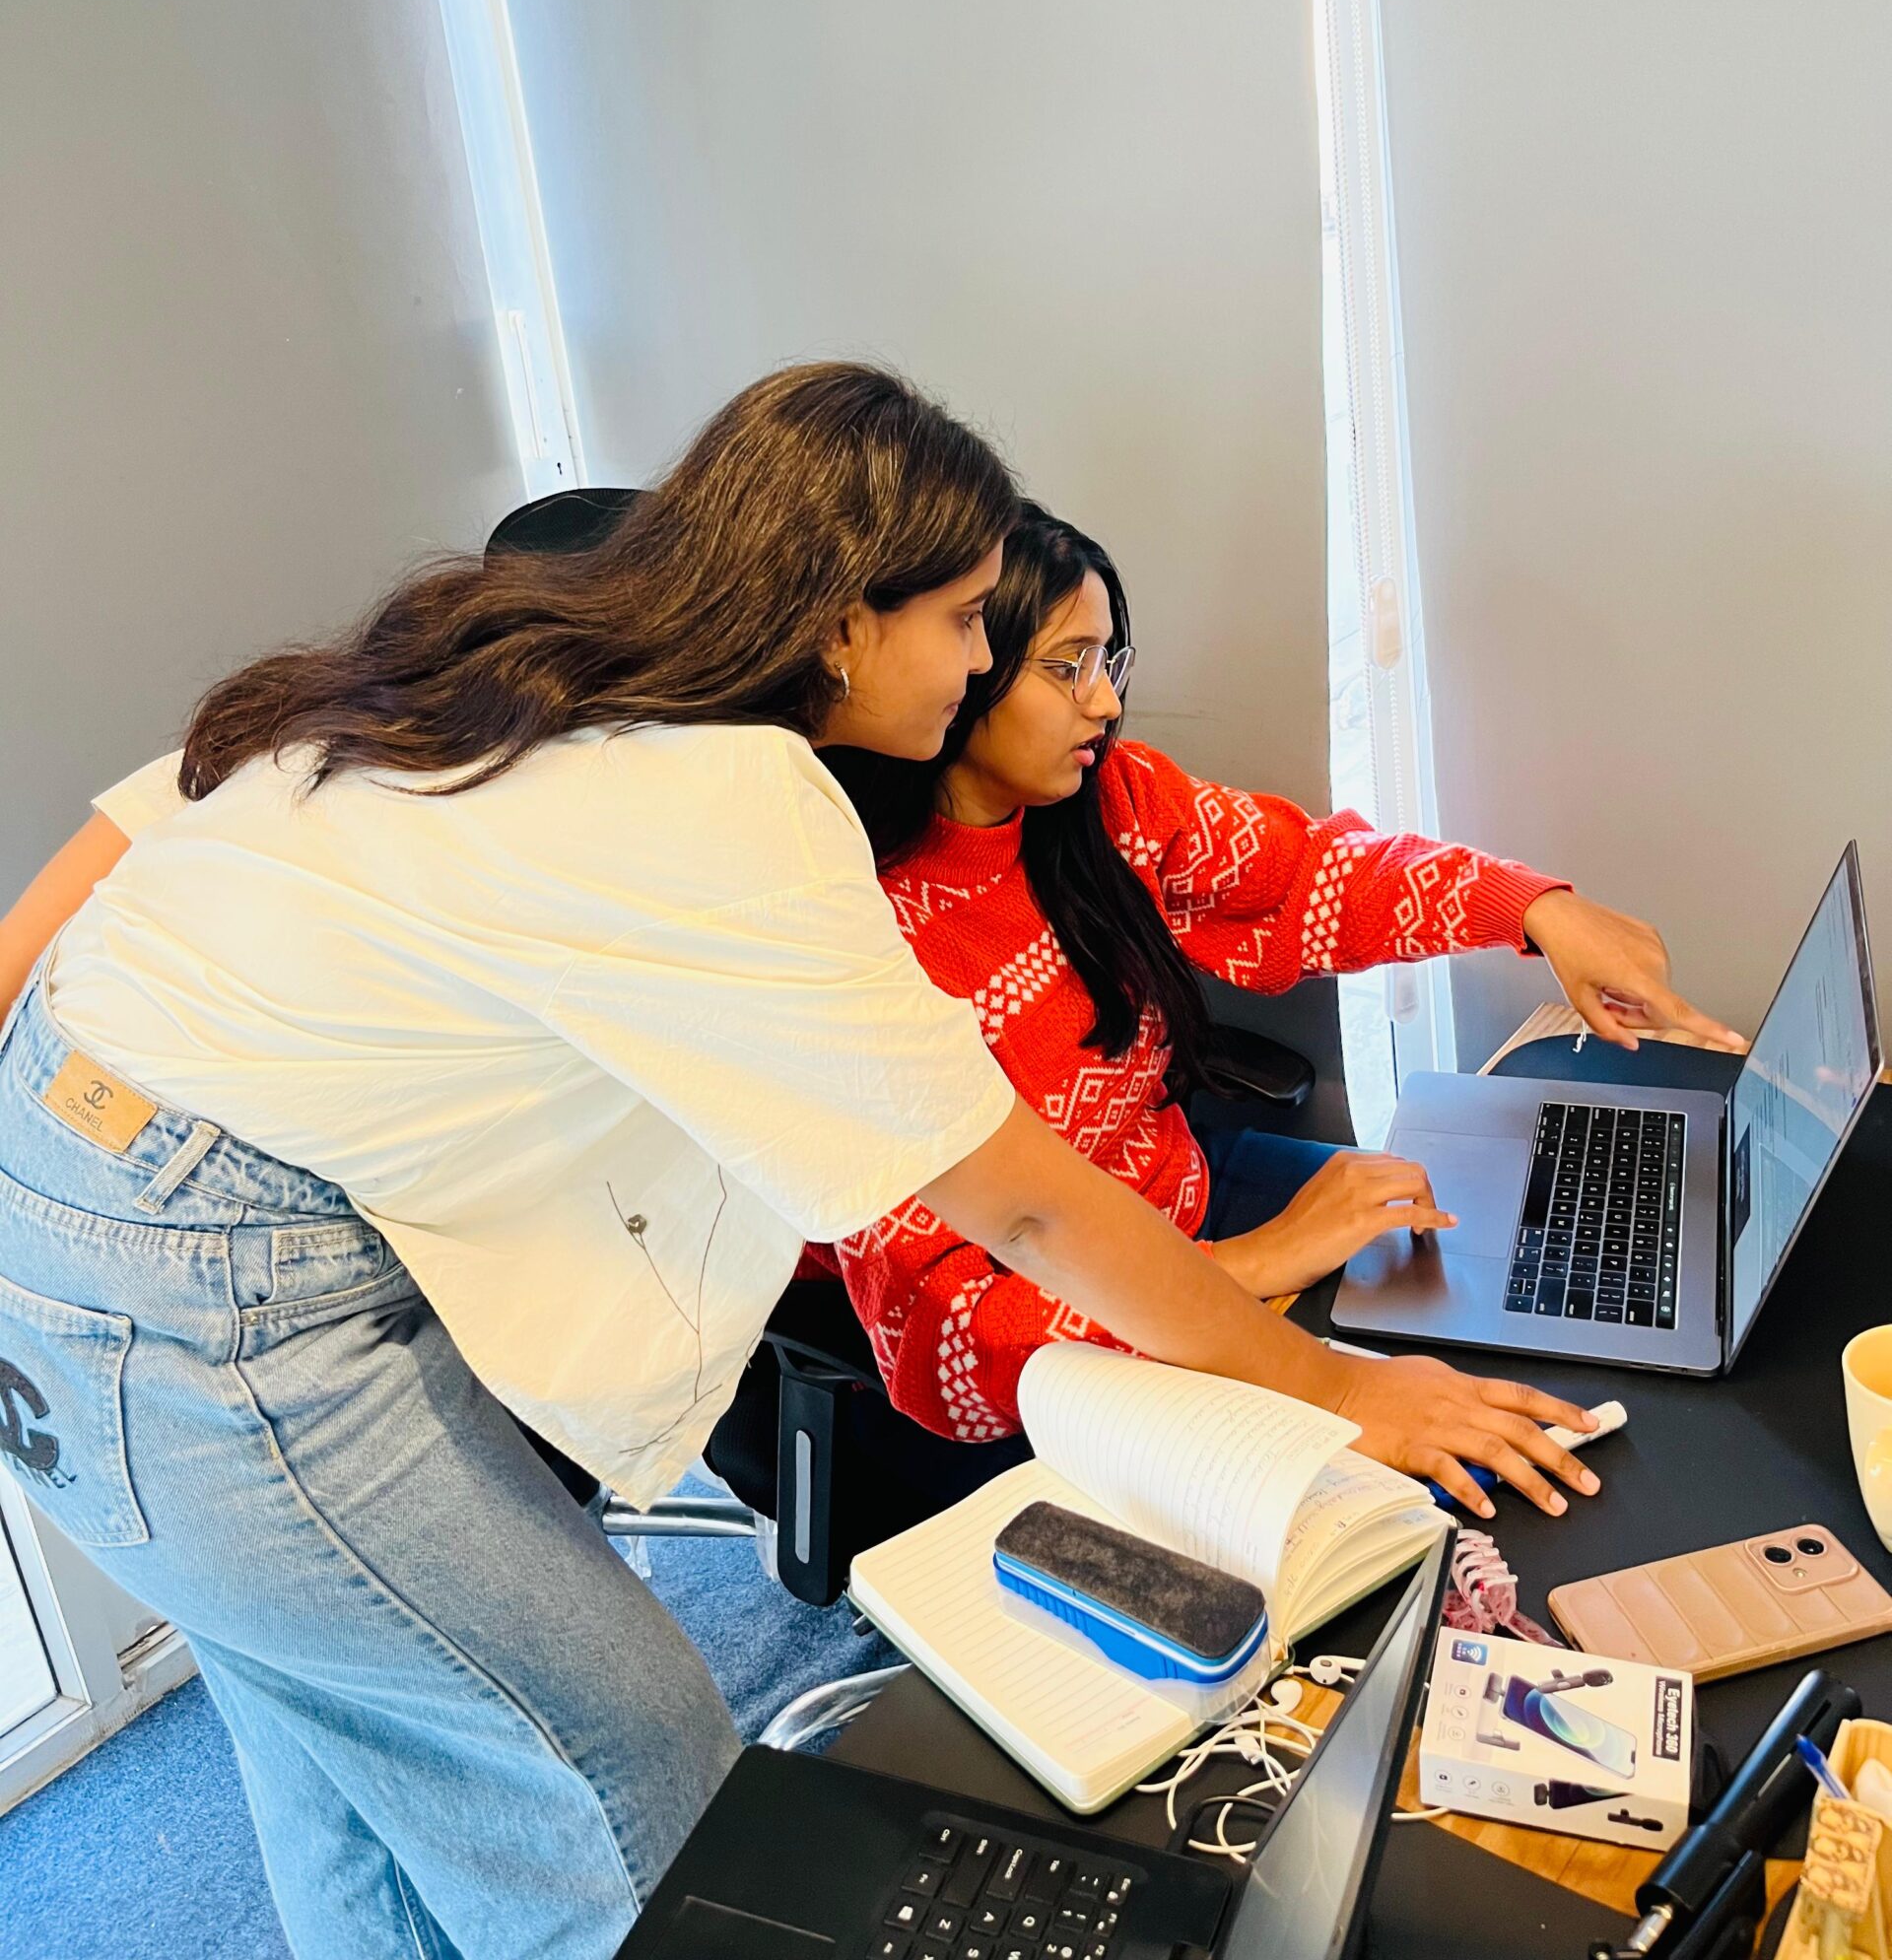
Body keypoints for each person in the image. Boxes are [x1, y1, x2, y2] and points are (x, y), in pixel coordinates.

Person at [0, 369, 1598, 1960]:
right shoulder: (736, 793)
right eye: (971, 618)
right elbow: (1021, 1200)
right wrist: (1333, 1388)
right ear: (844, 618)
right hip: (209, 1284)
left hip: (81, 1183)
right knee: (618, 1774)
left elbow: (105, 865)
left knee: (353, 1753)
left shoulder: (509, 661)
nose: (982, 662)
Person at [820, 504, 1743, 1453]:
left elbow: (1306, 874)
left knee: (1528, 1282)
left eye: (1109, 662)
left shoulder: (1109, 799)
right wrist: (1255, 1265)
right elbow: (948, 1336)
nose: (1103, 702)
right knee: (1458, 1462)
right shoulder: (859, 934)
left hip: (1193, 1214)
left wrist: (1536, 912)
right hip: (1070, 1349)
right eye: (1067, 666)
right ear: (968, 661)